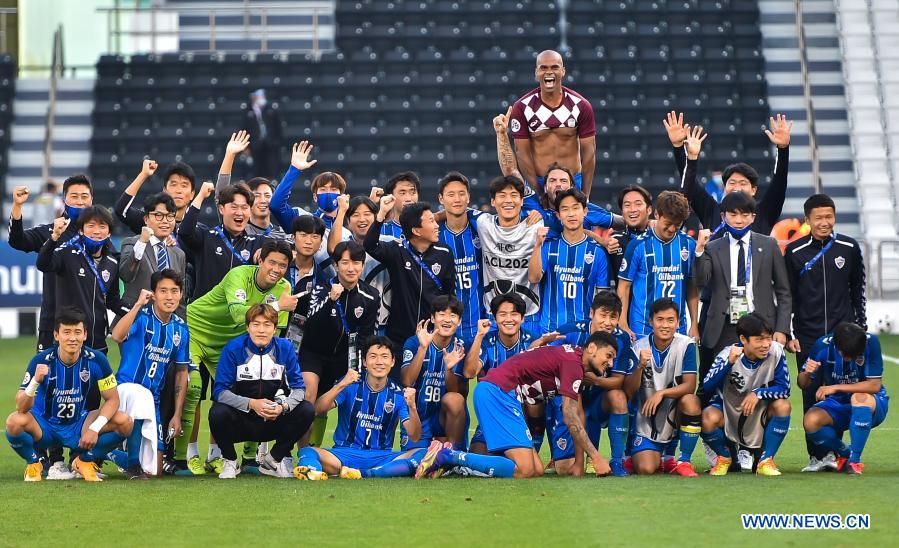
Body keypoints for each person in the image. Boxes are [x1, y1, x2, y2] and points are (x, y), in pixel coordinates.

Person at [415, 332, 617, 479]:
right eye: (608, 356)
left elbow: (530, 359)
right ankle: (447, 455)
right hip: (498, 392)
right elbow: (570, 415)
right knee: (525, 469)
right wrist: (596, 457)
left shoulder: (571, 359)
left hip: (502, 395)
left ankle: (452, 462)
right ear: (591, 348)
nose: (610, 363)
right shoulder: (573, 363)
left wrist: (580, 463)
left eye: (613, 359)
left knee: (536, 470)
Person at [173, 240, 297, 475]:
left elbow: (272, 332)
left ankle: (243, 458)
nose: (276, 269)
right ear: (260, 260)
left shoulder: (284, 287)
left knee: (254, 386)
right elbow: (239, 313)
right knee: (193, 388)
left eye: (282, 265)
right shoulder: (238, 275)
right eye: (271, 262)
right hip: (197, 331)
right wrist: (277, 305)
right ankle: (182, 459)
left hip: (228, 344)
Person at [785, 193, 866, 471]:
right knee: (810, 391)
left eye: (829, 216)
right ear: (807, 220)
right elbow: (788, 296)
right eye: (818, 217)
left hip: (842, 338)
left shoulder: (849, 247)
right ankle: (816, 455)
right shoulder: (794, 252)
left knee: (838, 393)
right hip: (808, 336)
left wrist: (861, 328)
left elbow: (858, 290)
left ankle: (834, 454)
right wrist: (787, 331)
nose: (824, 222)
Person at [4, 308, 133, 482]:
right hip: (45, 426)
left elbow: (113, 399)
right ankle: (34, 463)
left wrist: (94, 429)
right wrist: (35, 381)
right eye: (67, 332)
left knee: (124, 422)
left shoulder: (97, 360)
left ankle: (84, 461)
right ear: (57, 335)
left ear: (85, 335)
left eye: (77, 332)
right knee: (13, 422)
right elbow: (21, 407)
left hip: (79, 425)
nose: (72, 338)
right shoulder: (41, 361)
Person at [294, 337, 426, 480]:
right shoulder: (350, 384)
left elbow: (415, 436)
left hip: (381, 457)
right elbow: (317, 409)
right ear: (364, 362)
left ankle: (366, 474)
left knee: (422, 453)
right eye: (373, 356)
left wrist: (412, 407)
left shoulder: (399, 394)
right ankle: (312, 471)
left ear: (392, 362)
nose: (379, 362)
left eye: (384, 357)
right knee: (307, 451)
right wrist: (341, 385)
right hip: (344, 455)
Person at [694, 191, 792, 381]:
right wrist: (699, 250)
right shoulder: (713, 246)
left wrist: (781, 329)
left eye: (745, 215)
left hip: (761, 325)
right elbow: (700, 281)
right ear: (723, 216)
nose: (739, 220)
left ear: (753, 217)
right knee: (721, 385)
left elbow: (784, 291)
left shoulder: (769, 244)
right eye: (733, 214)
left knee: (764, 383)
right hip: (723, 327)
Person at [209, 304, 314, 479]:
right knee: (217, 412)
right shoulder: (233, 348)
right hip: (241, 420)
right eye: (256, 324)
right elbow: (219, 391)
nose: (261, 330)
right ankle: (230, 460)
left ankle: (272, 460)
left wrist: (283, 407)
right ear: (247, 327)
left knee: (307, 409)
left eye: (267, 325)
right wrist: (251, 404)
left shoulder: (285, 348)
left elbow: (299, 389)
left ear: (274, 328)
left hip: (273, 420)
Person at [109, 271, 190, 479]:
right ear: (153, 293)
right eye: (163, 291)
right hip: (126, 390)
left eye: (174, 291)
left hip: (152, 400)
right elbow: (117, 336)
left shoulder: (180, 329)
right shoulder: (141, 316)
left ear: (181, 295)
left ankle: (112, 453)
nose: (169, 297)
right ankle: (131, 462)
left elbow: (182, 373)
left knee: (155, 472)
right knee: (138, 395)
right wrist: (137, 305)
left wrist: (177, 415)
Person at [301, 241, 380, 448]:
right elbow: (311, 326)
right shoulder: (320, 288)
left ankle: (319, 451)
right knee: (309, 394)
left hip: (344, 358)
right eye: (345, 263)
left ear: (362, 266)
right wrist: (330, 300)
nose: (351, 268)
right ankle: (301, 454)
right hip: (314, 353)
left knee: (337, 401)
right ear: (336, 265)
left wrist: (356, 370)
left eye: (356, 262)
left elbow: (365, 336)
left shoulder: (371, 296)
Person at [494, 108, 621, 237]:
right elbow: (510, 170)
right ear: (545, 187)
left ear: (572, 186)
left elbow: (624, 221)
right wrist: (502, 133)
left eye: (563, 181)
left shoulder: (584, 209)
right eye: (552, 181)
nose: (558, 184)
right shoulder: (530, 201)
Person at [548, 290, 635, 476]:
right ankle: (551, 451)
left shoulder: (622, 338)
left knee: (619, 397)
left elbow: (618, 380)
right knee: (564, 469)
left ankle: (617, 462)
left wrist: (594, 379)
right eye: (603, 315)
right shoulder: (570, 332)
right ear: (591, 314)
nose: (608, 322)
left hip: (597, 401)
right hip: (568, 399)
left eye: (613, 317)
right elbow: (546, 364)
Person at [663, 111, 792, 236]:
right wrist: (678, 146)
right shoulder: (711, 211)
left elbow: (779, 183)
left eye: (743, 183)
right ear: (724, 188)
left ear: (754, 190)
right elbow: (689, 183)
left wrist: (782, 149)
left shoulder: (764, 213)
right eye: (732, 182)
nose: (737, 188)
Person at [700, 313, 791, 476]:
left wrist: (758, 393)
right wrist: (729, 363)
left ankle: (765, 460)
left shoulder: (776, 351)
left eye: (768, 338)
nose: (766, 344)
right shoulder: (727, 354)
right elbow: (706, 386)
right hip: (729, 411)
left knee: (783, 406)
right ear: (743, 339)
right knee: (707, 417)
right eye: (759, 339)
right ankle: (725, 457)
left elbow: (785, 389)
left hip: (758, 412)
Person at [8, 176, 91, 352]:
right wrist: (17, 206)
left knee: (87, 379)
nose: (80, 201)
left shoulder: (99, 235)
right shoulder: (51, 231)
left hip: (88, 326)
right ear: (63, 200)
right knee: (47, 378)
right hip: (53, 323)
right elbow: (17, 241)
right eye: (74, 196)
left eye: (84, 196)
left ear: (91, 199)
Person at [363, 199, 456, 354]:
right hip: (399, 337)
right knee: (401, 378)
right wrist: (381, 214)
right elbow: (370, 245)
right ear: (416, 231)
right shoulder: (397, 250)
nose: (437, 226)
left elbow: (449, 294)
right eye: (431, 221)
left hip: (432, 335)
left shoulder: (444, 253)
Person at [36, 205, 130, 355]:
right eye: (90, 226)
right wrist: (54, 238)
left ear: (109, 232)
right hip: (70, 344)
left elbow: (112, 300)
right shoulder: (66, 253)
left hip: (98, 344)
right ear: (81, 230)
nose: (96, 231)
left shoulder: (112, 262)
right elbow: (43, 264)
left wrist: (135, 311)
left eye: (102, 226)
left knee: (101, 379)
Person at [623, 298, 701, 477]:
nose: (665, 325)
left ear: (679, 322)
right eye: (660, 320)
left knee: (691, 401)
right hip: (646, 420)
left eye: (670, 320)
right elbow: (628, 390)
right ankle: (642, 454)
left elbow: (690, 385)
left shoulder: (686, 344)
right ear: (651, 321)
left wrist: (662, 393)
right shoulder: (638, 347)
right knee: (646, 469)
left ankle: (683, 461)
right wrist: (640, 366)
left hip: (673, 413)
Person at [801, 322, 888, 475]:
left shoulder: (871, 342)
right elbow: (802, 384)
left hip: (872, 402)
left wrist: (835, 387)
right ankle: (845, 452)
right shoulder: (822, 345)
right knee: (810, 421)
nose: (850, 358)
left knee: (859, 398)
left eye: (854, 355)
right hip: (837, 403)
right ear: (836, 345)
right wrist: (807, 373)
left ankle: (854, 462)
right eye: (846, 354)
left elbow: (874, 385)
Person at [509, 50, 597, 197]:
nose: (549, 72)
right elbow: (521, 153)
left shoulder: (581, 105)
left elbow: (589, 152)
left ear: (563, 71)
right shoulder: (522, 107)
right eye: (543, 68)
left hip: (572, 182)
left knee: (601, 218)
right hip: (538, 182)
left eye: (554, 67)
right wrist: (538, 191)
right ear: (536, 72)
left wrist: (585, 195)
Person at [459, 294, 538, 454]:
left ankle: (533, 442)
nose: (509, 319)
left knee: (536, 401)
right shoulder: (488, 341)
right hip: (492, 412)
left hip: (521, 414)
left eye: (514, 314)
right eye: (503, 314)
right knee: (478, 456)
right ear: (495, 319)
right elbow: (469, 372)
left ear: (522, 318)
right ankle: (451, 457)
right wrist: (479, 336)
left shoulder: (532, 341)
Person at [617, 191, 699, 341]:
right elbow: (624, 286)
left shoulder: (689, 244)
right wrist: (622, 322)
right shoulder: (637, 245)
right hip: (642, 328)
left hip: (678, 329)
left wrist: (694, 323)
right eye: (668, 224)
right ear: (657, 214)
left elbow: (691, 287)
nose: (672, 229)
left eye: (678, 225)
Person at [528, 188, 608, 334]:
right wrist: (538, 244)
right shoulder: (548, 247)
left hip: (583, 332)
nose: (571, 214)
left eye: (576, 208)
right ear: (558, 215)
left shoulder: (598, 253)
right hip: (550, 330)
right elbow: (533, 278)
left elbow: (602, 297)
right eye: (565, 209)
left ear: (585, 212)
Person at [474, 175, 544, 333]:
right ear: (493, 201)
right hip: (493, 316)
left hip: (529, 316)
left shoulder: (536, 225)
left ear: (522, 201)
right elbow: (456, 210)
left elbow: (570, 226)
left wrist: (600, 240)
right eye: (502, 195)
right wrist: (435, 216)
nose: (508, 200)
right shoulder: (483, 222)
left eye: (514, 195)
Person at [401, 296, 468, 451]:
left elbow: (456, 393)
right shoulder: (415, 342)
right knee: (415, 462)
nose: (447, 320)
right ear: (432, 318)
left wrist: (449, 369)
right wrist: (422, 349)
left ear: (459, 321)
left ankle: (451, 454)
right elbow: (407, 381)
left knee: (455, 400)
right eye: (442, 314)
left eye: (453, 315)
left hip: (443, 417)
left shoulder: (462, 345)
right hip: (417, 415)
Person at [178, 181, 263, 300]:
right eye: (234, 207)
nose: (239, 212)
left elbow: (287, 250)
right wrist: (201, 196)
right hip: (206, 314)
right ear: (221, 209)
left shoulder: (257, 242)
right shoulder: (205, 237)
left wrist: (267, 251)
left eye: (245, 208)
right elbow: (184, 231)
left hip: (238, 314)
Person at [328, 195, 393, 330]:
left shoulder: (389, 242)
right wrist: (342, 211)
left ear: (376, 217)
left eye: (367, 214)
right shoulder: (345, 244)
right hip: (349, 319)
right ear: (348, 221)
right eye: (356, 215)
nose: (362, 219)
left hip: (386, 321)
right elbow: (333, 250)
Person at [437, 171, 486, 348]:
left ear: (468, 197)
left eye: (461, 193)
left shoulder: (482, 230)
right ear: (441, 199)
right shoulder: (434, 236)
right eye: (451, 194)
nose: (457, 199)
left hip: (481, 320)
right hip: (447, 325)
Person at [119, 193, 187, 313]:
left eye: (170, 216)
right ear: (146, 219)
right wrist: (142, 242)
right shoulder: (132, 243)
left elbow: (180, 298)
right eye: (158, 215)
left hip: (166, 324)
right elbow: (125, 275)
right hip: (135, 322)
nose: (165, 221)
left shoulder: (178, 254)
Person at [270, 140, 347, 231]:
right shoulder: (301, 219)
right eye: (323, 189)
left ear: (341, 196)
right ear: (315, 197)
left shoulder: (347, 234)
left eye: (333, 189)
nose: (328, 193)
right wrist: (294, 170)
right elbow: (276, 206)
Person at [114, 159, 197, 234]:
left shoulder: (197, 231)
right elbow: (121, 210)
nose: (179, 190)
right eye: (174, 184)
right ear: (165, 191)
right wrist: (143, 174)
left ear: (192, 194)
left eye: (184, 185)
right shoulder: (151, 221)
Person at [604, 184, 652, 287]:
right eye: (627, 205)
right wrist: (603, 244)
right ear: (622, 212)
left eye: (638, 204)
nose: (632, 209)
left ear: (649, 210)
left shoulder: (658, 239)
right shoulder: (614, 241)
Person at [244, 88, 284, 180]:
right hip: (255, 146)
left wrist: (276, 142)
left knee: (272, 169)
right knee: (257, 171)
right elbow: (244, 129)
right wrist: (247, 147)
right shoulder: (248, 111)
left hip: (271, 145)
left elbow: (278, 127)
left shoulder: (271, 110)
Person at [287, 215, 330, 297]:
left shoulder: (322, 277)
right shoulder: (280, 266)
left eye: (315, 236)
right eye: (303, 235)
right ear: (293, 237)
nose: (308, 241)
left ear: (321, 242)